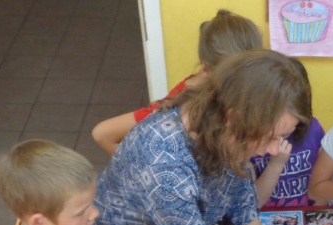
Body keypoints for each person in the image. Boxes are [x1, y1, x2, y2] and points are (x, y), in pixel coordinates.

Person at [84, 49, 311, 225]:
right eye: (271, 137)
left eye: (282, 137)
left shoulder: (227, 129)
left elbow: (240, 201)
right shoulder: (165, 163)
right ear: (233, 118)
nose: (274, 149)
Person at [91, 9, 263, 156]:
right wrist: (143, 168)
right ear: (205, 70)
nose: (243, 86)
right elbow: (102, 134)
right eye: (233, 79)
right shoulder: (177, 106)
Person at [252, 58, 325, 208]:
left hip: (308, 214)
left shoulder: (314, 129)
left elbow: (325, 179)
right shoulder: (252, 139)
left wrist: (317, 212)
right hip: (266, 216)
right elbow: (253, 204)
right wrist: (276, 164)